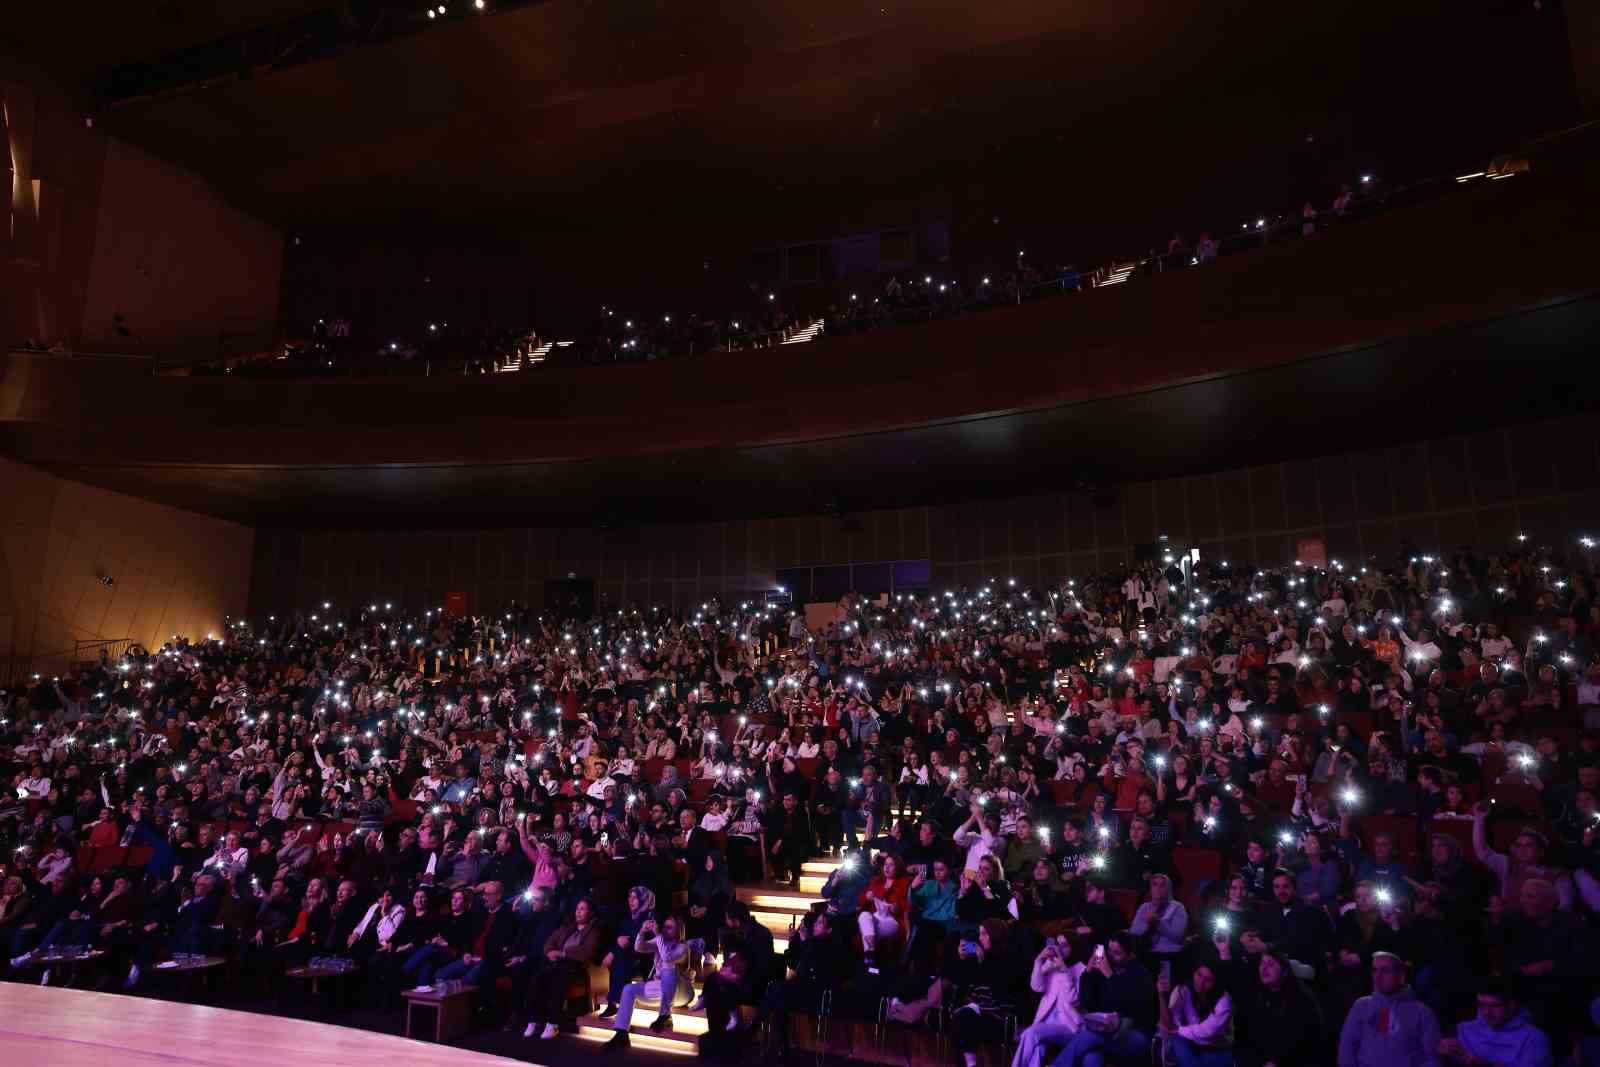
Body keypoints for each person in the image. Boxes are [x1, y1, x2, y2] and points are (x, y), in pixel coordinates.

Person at [1058, 932, 1156, 1067]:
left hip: (1135, 1033)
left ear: (1130, 954)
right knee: (1091, 1057)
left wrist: (1110, 976)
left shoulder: (1140, 975)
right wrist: (1088, 972)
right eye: (1109, 950)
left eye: (1117, 953)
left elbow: (1130, 1008)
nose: (1111, 955)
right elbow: (1086, 1002)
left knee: (1090, 1037)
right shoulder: (1101, 970)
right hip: (1105, 1032)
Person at [1336, 951, 1442, 1067]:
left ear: (1401, 976)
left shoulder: (1423, 1012)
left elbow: (1432, 1058)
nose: (1378, 976)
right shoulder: (1361, 1006)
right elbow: (1347, 1049)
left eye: (1385, 971)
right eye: (1374, 970)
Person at [605, 911, 692, 1047]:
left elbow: (667, 957)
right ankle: (621, 1033)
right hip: (662, 990)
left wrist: (658, 935)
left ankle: (665, 1015)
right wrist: (642, 931)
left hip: (682, 992)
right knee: (629, 989)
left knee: (668, 969)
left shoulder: (683, 947)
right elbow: (639, 947)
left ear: (678, 930)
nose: (664, 929)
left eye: (669, 927)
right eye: (664, 926)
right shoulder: (659, 941)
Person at [522, 897, 602, 1039]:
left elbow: (588, 951)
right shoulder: (567, 927)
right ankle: (534, 1020)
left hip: (575, 966)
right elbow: (549, 942)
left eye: (582, 909)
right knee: (538, 977)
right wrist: (550, 952)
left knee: (559, 977)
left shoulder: (594, 931)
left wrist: (564, 953)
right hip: (556, 962)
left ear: (591, 913)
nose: (578, 912)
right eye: (577, 909)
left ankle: (553, 1023)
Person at [1013, 934, 1085, 1067]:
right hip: (1045, 1022)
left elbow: (1074, 1000)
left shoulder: (1081, 970)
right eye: (1058, 945)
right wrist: (1039, 961)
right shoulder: (1051, 964)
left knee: (1031, 1032)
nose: (1059, 949)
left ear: (1074, 948)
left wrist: (1064, 971)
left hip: (1069, 1026)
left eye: (1064, 946)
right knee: (1038, 1046)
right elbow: (1037, 986)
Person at [1440, 982, 1552, 1067]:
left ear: (1511, 1006)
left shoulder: (1534, 1038)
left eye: (1494, 1006)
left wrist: (1484, 1065)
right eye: (1482, 1005)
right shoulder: (1464, 1029)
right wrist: (1444, 1055)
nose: (1486, 1012)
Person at [1157, 961, 1234, 1067]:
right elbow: (1168, 1026)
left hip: (1217, 1046)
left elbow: (1208, 1032)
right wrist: (1161, 995)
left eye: (1208, 980)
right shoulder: (1182, 990)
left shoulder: (1224, 1000)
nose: (1201, 983)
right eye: (1199, 974)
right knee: (1176, 1042)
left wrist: (1179, 1030)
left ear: (1216, 982)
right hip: (1190, 1042)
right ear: (1193, 973)